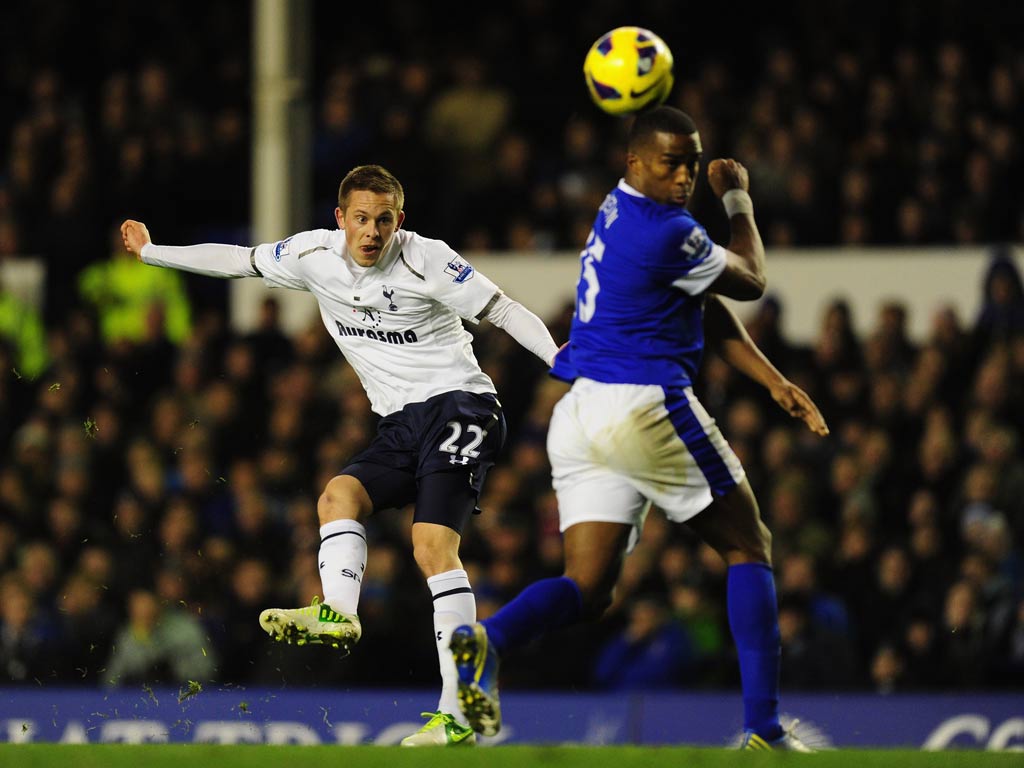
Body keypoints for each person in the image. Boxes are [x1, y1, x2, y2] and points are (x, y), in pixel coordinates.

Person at [120, 164, 559, 746]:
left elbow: (502, 308)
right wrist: (155, 254)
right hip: (399, 423)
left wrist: (559, 359)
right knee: (337, 497)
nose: (371, 231)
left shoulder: (429, 259)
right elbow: (240, 260)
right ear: (340, 219)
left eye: (383, 220)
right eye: (360, 219)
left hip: (463, 406)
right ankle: (340, 613)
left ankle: (458, 710)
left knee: (431, 546)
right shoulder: (312, 257)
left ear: (399, 221)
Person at [448, 107, 829, 751]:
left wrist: (772, 382)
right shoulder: (671, 231)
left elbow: (700, 301)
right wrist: (737, 198)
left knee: (589, 589)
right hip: (643, 403)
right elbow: (751, 280)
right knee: (748, 545)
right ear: (635, 162)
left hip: (578, 414)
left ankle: (491, 642)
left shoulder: (616, 207)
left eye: (692, 161)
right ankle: (764, 729)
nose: (684, 176)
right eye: (670, 163)